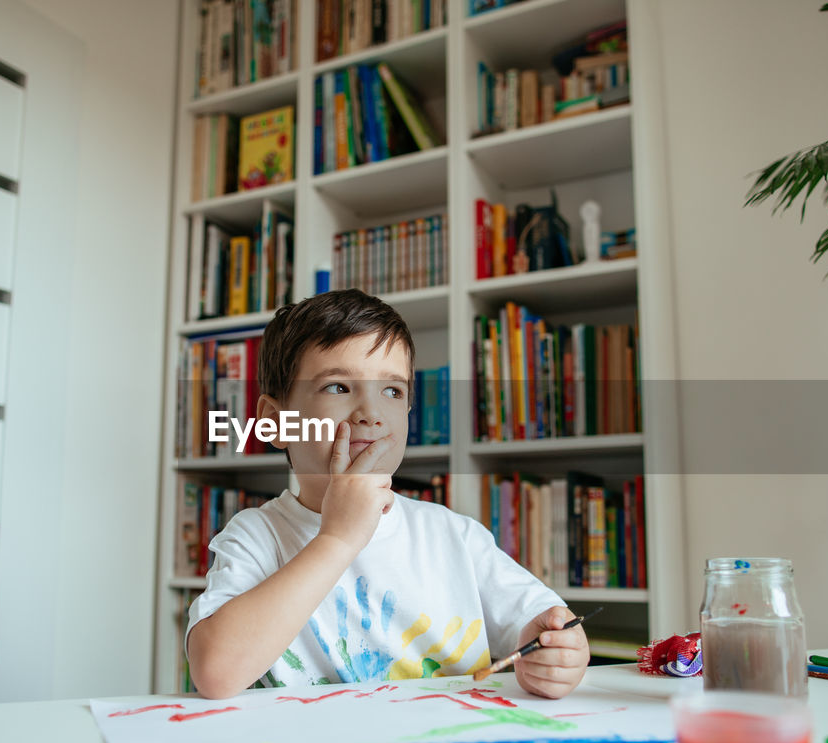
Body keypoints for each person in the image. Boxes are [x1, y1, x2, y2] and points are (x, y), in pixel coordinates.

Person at [185, 290, 589, 699]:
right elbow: (216, 673)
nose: (370, 412)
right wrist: (337, 539)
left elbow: (548, 624)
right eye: (338, 387)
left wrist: (559, 654)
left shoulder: (455, 537)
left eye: (392, 391)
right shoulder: (256, 537)